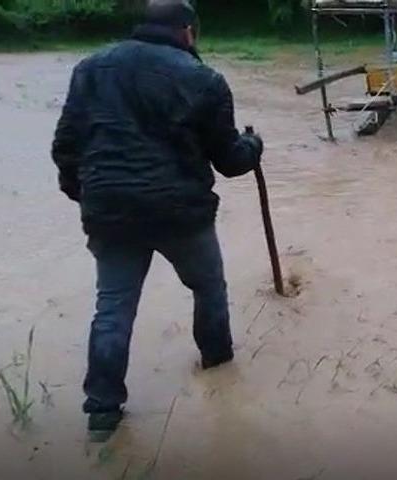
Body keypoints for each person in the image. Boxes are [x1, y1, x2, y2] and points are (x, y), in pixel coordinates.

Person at [51, 0, 263, 437]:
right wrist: (254, 146)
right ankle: (218, 366)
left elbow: (66, 146)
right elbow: (229, 161)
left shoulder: (89, 70)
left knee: (112, 307)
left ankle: (103, 412)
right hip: (180, 212)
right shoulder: (204, 79)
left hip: (110, 211)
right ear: (188, 31)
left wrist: (87, 195)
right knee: (208, 287)